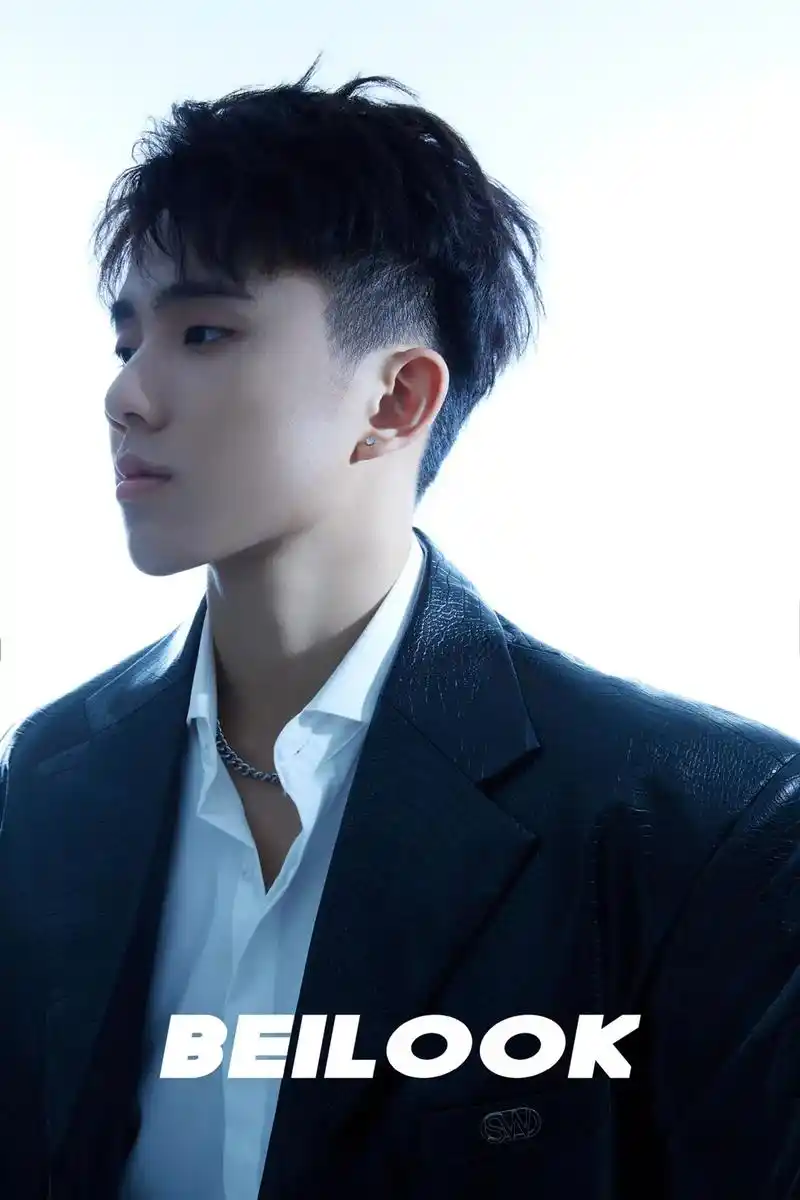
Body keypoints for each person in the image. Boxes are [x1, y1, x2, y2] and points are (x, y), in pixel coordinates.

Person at [1, 56, 798, 1200]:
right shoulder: (55, 773)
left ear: (396, 399)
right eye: (126, 342)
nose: (127, 395)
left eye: (204, 333)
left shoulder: (695, 825)